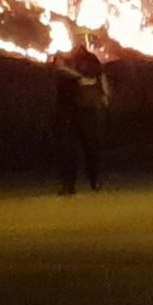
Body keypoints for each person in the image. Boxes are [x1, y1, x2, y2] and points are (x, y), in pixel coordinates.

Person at [54, 41, 109, 195]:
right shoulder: (61, 56)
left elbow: (100, 74)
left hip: (87, 109)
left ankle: (94, 181)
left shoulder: (90, 58)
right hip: (67, 108)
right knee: (67, 148)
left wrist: (105, 94)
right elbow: (61, 70)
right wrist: (79, 77)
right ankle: (68, 186)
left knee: (91, 146)